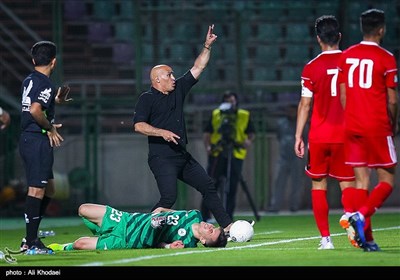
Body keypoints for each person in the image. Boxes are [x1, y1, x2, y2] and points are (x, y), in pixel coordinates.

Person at [133, 25, 233, 233]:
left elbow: (198, 67)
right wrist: (162, 132)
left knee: (208, 185)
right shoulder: (147, 98)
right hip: (161, 157)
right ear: (157, 80)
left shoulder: (178, 90)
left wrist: (207, 46)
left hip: (181, 155)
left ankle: (227, 227)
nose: (173, 78)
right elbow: (138, 126)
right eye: (169, 75)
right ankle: (140, 231)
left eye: (173, 75)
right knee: (168, 198)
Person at [337, 9, 398, 252]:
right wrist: (392, 124)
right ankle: (360, 216)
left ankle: (369, 240)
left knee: (362, 184)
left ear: (362, 28)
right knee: (387, 181)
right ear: (381, 29)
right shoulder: (386, 58)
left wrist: (351, 117)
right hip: (376, 125)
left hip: (352, 126)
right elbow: (392, 101)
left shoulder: (347, 56)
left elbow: (343, 95)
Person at [295, 15, 357, 250]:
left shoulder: (311, 67)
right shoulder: (351, 63)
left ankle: (326, 239)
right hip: (346, 135)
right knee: (348, 184)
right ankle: (353, 231)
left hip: (319, 137)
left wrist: (298, 135)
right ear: (339, 36)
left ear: (318, 39)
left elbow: (305, 104)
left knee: (318, 186)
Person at [18, 40, 72, 254]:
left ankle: (30, 236)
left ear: (33, 60)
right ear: (54, 61)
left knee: (49, 189)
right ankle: (30, 242)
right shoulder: (45, 83)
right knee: (37, 189)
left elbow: (36, 103)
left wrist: (56, 100)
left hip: (28, 139)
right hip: (36, 139)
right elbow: (34, 110)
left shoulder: (30, 79)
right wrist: (50, 128)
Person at [48, 203, 228, 251]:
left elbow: (157, 244)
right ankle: (101, 230)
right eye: (214, 226)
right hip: (126, 220)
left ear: (203, 240)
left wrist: (167, 246)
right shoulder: (195, 214)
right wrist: (159, 211)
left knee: (79, 245)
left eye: (211, 232)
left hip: (128, 240)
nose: (209, 226)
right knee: (83, 209)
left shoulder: (186, 242)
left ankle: (63, 247)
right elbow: (168, 211)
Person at [200, 91, 255, 221]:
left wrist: (247, 142)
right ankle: (205, 216)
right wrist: (208, 146)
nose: (230, 104)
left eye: (232, 101)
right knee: (211, 185)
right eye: (227, 101)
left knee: (232, 186)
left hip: (235, 153)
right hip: (217, 153)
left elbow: (251, 133)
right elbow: (207, 132)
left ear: (236, 101)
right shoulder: (216, 114)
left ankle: (228, 217)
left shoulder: (243, 115)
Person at [268, 103, 305, 214]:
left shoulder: (301, 124)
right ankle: (275, 205)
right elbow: (279, 137)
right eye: (289, 110)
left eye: (293, 110)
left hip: (297, 158)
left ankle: (294, 205)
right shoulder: (281, 123)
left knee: (296, 182)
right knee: (279, 182)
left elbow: (306, 139)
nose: (291, 112)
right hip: (283, 157)